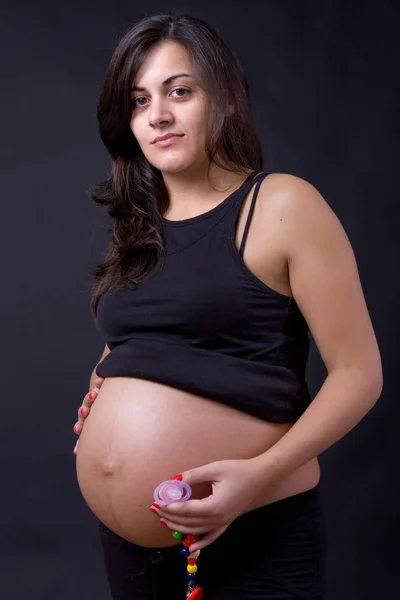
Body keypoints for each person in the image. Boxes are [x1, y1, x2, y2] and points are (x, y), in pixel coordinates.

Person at [72, 11, 383, 600]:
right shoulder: (137, 225)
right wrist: (102, 398)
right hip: (132, 548)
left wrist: (256, 479)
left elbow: (358, 374)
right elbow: (138, 343)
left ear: (227, 100)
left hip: (251, 527)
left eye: (179, 91)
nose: (157, 115)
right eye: (139, 101)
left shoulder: (282, 204)